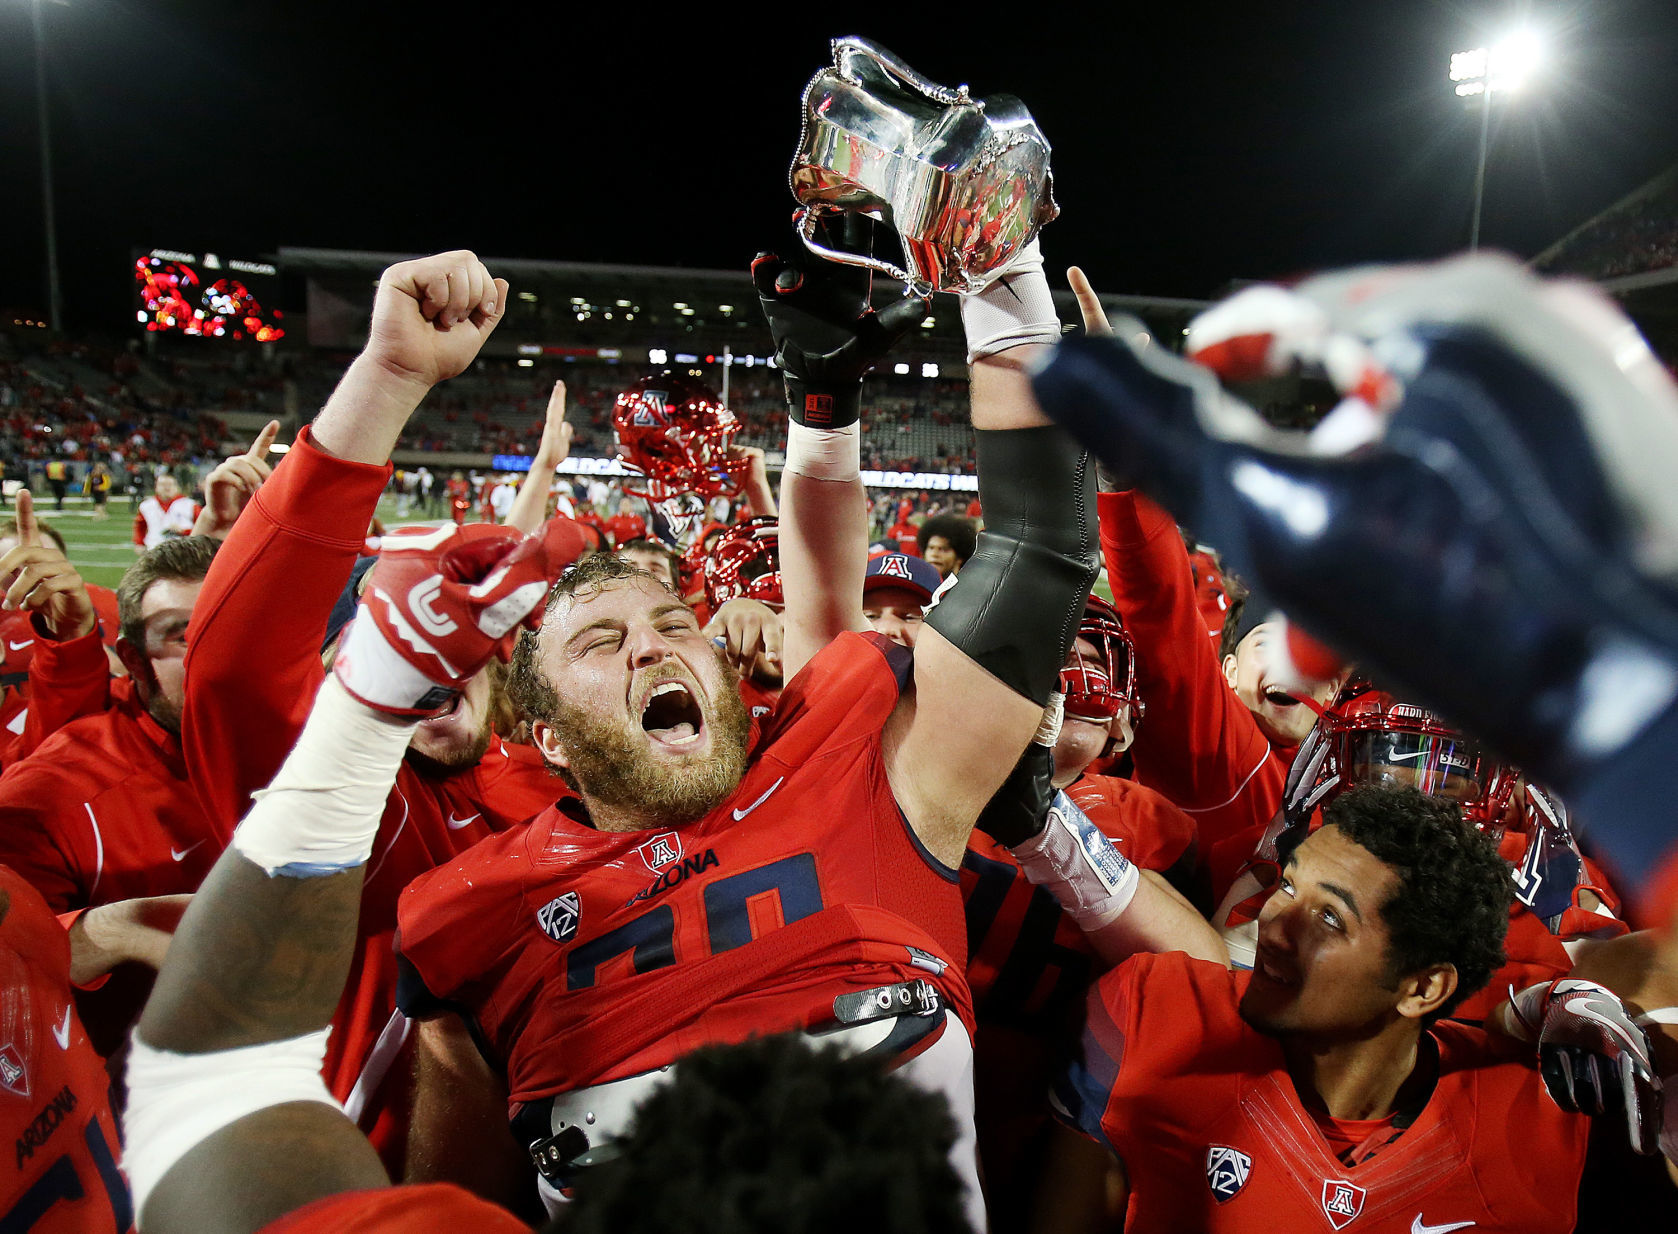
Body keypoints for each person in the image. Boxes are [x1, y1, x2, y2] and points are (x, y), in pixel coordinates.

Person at [393, 225, 1101, 1228]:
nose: (654, 646)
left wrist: (1000, 264)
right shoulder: (467, 915)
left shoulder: (859, 768)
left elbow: (1036, 551)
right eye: (600, 641)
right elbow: (455, 1215)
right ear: (544, 736)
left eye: (675, 622)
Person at [1051, 784, 1594, 1231]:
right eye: (1288, 886)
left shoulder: (1532, 1114)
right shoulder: (1155, 1008)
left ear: (1422, 988)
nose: (1272, 923)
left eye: (1331, 917)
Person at [132, 474, 197, 553]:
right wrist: (139, 543)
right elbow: (140, 526)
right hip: (154, 550)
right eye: (162, 485)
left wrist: (184, 531)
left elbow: (203, 527)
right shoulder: (147, 505)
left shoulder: (189, 504)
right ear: (156, 487)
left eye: (170, 484)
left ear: (176, 487)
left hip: (182, 550)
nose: (167, 488)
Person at [916, 514, 976, 579]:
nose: (934, 554)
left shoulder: (972, 587)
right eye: (931, 548)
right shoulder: (917, 586)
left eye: (944, 549)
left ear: (959, 558)